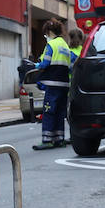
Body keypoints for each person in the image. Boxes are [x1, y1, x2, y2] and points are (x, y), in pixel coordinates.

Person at [32, 19, 77, 150]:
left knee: (48, 111)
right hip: (64, 85)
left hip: (52, 84)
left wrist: (35, 65)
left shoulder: (51, 45)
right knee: (59, 112)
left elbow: (45, 63)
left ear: (50, 32)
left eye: (46, 33)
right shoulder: (65, 46)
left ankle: (47, 140)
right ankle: (59, 139)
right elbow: (71, 66)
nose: (46, 36)